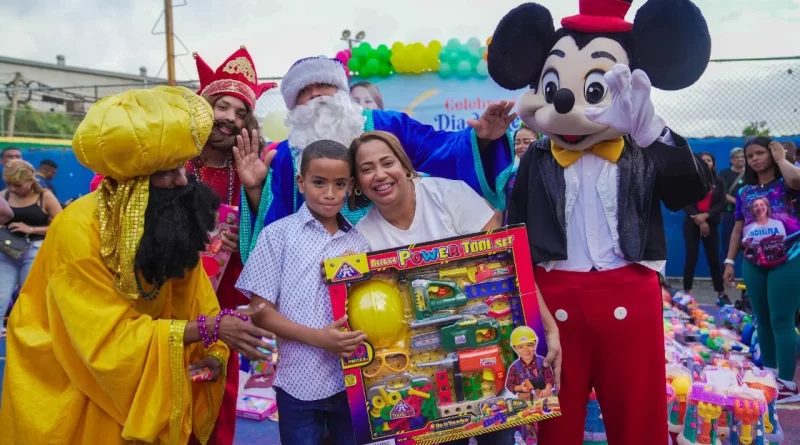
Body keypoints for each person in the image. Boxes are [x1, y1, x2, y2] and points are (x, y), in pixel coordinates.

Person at [487, 1, 713, 444]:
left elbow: (693, 192)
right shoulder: (535, 157)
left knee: (639, 416)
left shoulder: (644, 146)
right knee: (556, 419)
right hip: (557, 300)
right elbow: (518, 231)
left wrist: (653, 135)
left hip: (631, 288)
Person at [0, 86, 276, 444]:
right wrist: (209, 328)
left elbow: (194, 299)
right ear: (129, 182)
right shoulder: (79, 229)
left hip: (145, 382)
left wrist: (210, 353)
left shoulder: (170, 216)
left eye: (181, 167)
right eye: (167, 173)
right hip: (79, 387)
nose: (182, 180)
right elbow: (102, 342)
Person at [348, 131, 562, 445]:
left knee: (500, 431)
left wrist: (547, 327)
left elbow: (509, 265)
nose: (379, 174)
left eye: (386, 162)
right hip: (423, 363)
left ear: (404, 164)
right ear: (357, 183)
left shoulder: (448, 196)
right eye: (366, 169)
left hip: (491, 342)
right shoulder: (361, 238)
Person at [234, 56, 517, 263]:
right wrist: (255, 190)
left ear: (341, 92)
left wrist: (482, 140)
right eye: (304, 92)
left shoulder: (387, 123)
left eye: (323, 85)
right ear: (294, 106)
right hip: (321, 271)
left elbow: (439, 150)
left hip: (403, 255)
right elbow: (278, 225)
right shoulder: (287, 154)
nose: (316, 95)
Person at [236, 140, 369, 445]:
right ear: (301, 182)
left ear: (350, 185)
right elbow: (260, 312)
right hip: (298, 382)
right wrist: (319, 339)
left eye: (339, 184)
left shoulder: (361, 242)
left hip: (354, 382)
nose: (330, 193)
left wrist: (360, 275)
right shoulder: (277, 235)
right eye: (319, 182)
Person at [191, 46, 277, 445]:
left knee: (215, 392)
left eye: (240, 113)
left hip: (223, 298)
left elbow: (270, 234)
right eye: (221, 106)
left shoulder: (251, 167)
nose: (229, 118)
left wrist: (252, 191)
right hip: (164, 295)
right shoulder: (171, 157)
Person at [723, 137, 800, 404]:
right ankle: (768, 376)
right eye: (750, 155)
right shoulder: (745, 192)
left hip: (788, 258)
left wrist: (781, 158)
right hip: (753, 262)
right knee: (762, 320)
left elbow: (797, 180)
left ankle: (788, 384)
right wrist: (730, 262)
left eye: (760, 153)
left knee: (782, 319)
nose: (755, 158)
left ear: (771, 153)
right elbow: (737, 228)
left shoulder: (786, 183)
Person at [0, 159, 62, 334]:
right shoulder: (3, 196)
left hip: (35, 248)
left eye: (18, 185)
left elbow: (62, 225)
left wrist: (31, 229)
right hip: (6, 250)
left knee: (32, 293)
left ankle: (32, 328)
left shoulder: (45, 197)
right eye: (9, 185)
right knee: (1, 292)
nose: (13, 189)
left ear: (30, 180)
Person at [682, 153, 728, 305]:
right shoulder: (689, 181)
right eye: (703, 160)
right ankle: (686, 292)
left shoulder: (719, 181)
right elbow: (685, 202)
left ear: (713, 164)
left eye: (709, 160)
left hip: (712, 224)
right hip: (692, 223)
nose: (706, 162)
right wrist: (698, 218)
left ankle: (721, 293)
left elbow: (721, 204)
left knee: (714, 259)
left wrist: (706, 216)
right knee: (691, 257)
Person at [505, 326, 555, 400]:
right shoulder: (514, 368)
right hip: (525, 398)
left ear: (535, 344)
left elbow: (549, 379)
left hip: (543, 395)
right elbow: (509, 385)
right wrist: (521, 387)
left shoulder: (543, 362)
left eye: (529, 345)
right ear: (515, 349)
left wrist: (547, 389)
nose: (526, 350)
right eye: (520, 347)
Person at [719, 147, 747, 268]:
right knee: (728, 244)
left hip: (749, 214)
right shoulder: (724, 174)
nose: (740, 159)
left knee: (748, 245)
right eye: (737, 157)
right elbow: (721, 193)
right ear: (731, 160)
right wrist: (738, 202)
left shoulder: (751, 173)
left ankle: (748, 276)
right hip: (730, 214)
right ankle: (724, 275)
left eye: (742, 156)